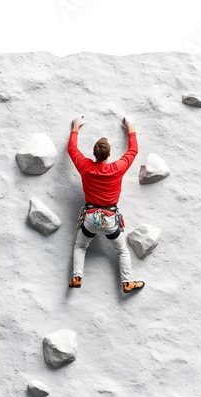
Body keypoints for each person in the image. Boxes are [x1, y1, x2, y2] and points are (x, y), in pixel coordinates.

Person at [67, 115, 145, 294]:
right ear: (109, 154)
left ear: (94, 154)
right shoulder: (117, 168)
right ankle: (127, 282)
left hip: (90, 218)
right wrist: (131, 128)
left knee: (80, 246)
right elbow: (132, 151)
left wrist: (76, 127)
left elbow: (72, 149)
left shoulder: (85, 167)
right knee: (122, 251)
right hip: (110, 219)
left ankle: (77, 277)